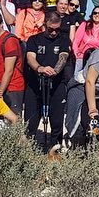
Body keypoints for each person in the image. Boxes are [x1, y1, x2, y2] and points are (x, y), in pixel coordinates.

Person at [25, 12, 71, 151]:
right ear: (44, 25)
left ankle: (55, 149)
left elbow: (63, 57)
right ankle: (30, 149)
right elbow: (30, 58)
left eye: (57, 29)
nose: (54, 32)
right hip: (36, 83)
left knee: (56, 120)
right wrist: (40, 68)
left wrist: (54, 71)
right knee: (31, 119)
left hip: (56, 83)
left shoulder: (63, 39)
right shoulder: (34, 39)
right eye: (51, 29)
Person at [0, 12, 26, 115]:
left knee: (14, 122)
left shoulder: (9, 40)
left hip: (12, 87)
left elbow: (9, 70)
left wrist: (0, 92)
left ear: (1, 24)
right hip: (0, 86)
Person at [73, 6, 99, 73]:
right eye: (95, 13)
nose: (97, 15)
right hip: (82, 56)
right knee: (77, 76)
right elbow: (76, 42)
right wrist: (76, 55)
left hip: (97, 59)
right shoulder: (85, 25)